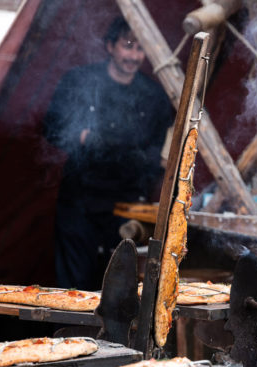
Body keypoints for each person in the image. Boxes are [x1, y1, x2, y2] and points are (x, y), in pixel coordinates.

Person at [44, 17, 174, 291]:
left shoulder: (154, 96)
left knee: (118, 290)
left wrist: (141, 160)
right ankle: (70, 333)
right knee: (75, 286)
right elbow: (53, 128)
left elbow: (160, 153)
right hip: (79, 201)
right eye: (128, 46)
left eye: (140, 49)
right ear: (110, 46)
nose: (134, 56)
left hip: (126, 205)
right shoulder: (79, 80)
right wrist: (88, 138)